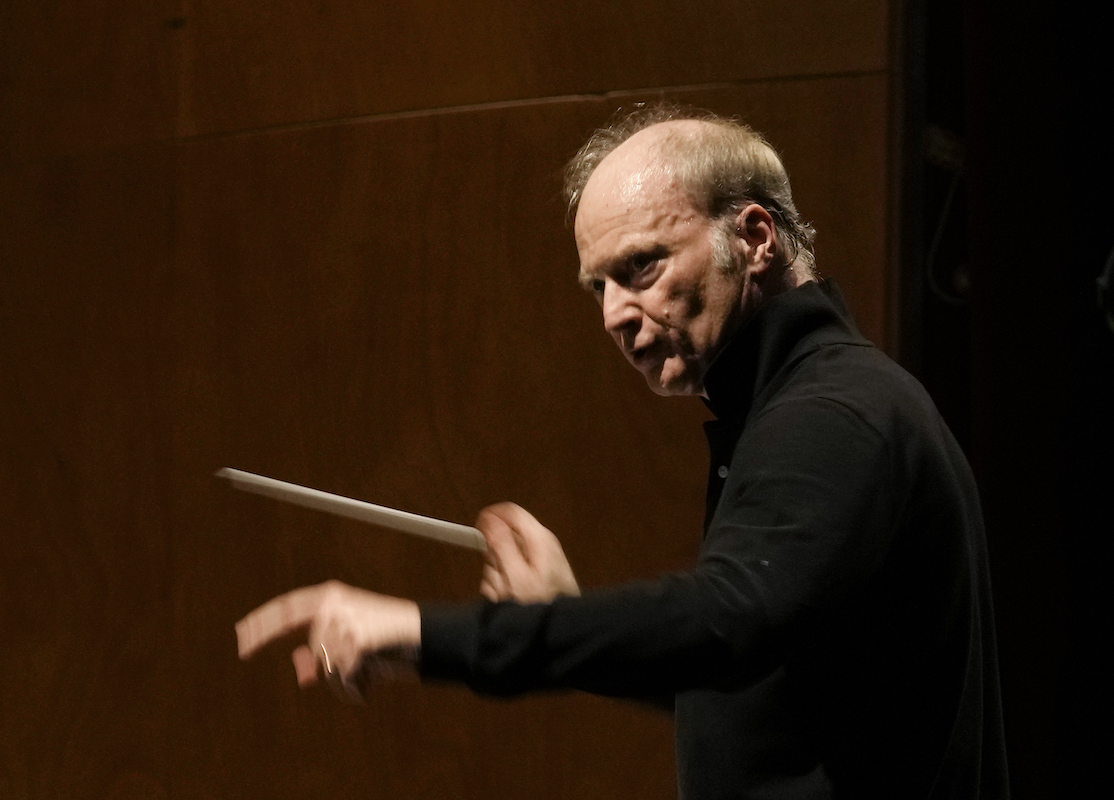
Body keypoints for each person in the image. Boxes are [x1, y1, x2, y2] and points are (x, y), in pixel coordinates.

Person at [236, 106, 1009, 799]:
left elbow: (721, 621)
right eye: (596, 287)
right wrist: (562, 625)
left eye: (640, 267)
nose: (613, 314)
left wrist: (426, 632)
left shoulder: (836, 414)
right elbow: (755, 689)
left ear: (755, 237)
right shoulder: (803, 407)